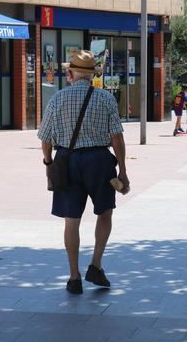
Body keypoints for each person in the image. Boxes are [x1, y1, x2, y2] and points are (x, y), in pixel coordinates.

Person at [38, 50, 130, 295]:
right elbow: (117, 138)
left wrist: (49, 162)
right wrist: (123, 170)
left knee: (72, 220)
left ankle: (74, 277)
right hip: (99, 161)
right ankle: (96, 265)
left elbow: (45, 139)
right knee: (105, 213)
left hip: (66, 160)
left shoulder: (57, 99)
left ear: (70, 74)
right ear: (92, 77)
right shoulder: (105, 98)